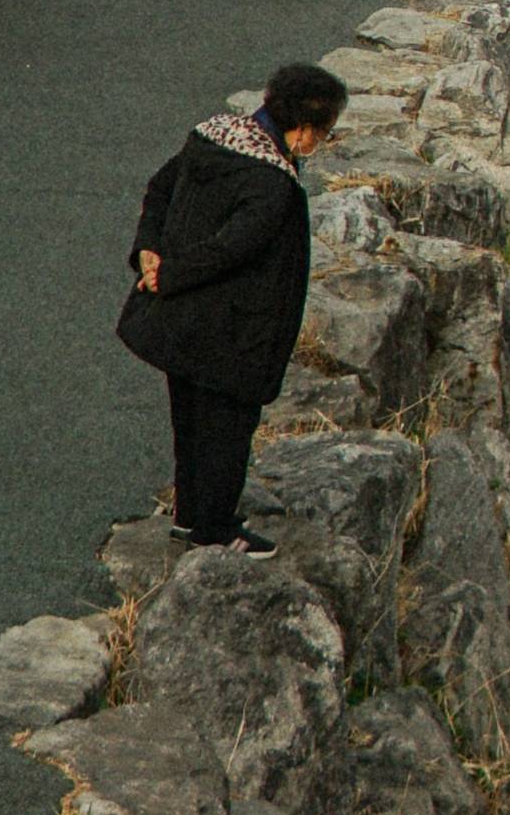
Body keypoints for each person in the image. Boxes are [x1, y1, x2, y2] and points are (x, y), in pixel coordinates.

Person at [121, 59, 346, 548]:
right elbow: (234, 246)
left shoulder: (210, 136)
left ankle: (189, 514)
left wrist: (149, 251)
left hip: (178, 319)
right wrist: (170, 272)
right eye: (323, 133)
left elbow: (160, 188)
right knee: (227, 429)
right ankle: (216, 529)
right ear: (303, 129)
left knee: (189, 420)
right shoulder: (274, 185)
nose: (319, 144)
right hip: (230, 328)